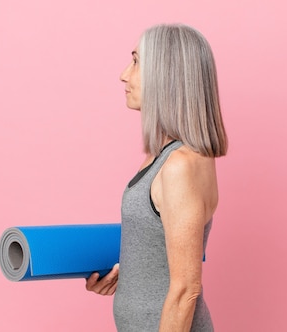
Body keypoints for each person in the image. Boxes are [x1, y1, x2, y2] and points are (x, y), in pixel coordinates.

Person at [85, 23, 228, 332]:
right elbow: (162, 248)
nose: (124, 74)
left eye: (136, 61)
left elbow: (185, 289)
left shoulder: (180, 165)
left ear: (166, 75)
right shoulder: (164, 158)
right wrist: (131, 275)